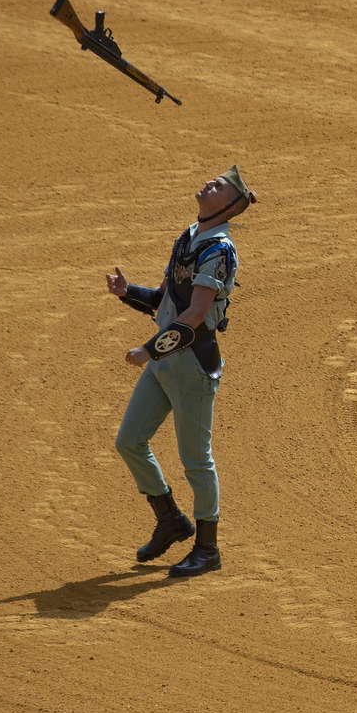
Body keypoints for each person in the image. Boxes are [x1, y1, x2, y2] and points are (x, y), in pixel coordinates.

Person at [106, 165, 253, 578]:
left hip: (190, 365)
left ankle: (208, 549)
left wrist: (149, 349)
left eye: (218, 185)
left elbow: (197, 314)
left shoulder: (219, 250)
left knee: (196, 461)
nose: (209, 183)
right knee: (129, 441)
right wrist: (129, 292)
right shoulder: (189, 237)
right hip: (166, 362)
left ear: (229, 206)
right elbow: (167, 300)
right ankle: (170, 519)